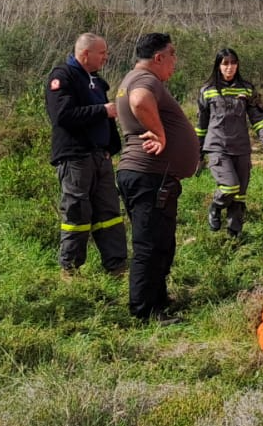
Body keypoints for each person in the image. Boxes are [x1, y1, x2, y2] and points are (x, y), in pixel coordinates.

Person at [115, 32, 200, 324]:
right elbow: (140, 101)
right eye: (172, 55)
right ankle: (145, 312)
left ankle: (157, 301)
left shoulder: (130, 79)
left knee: (159, 242)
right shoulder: (145, 81)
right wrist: (161, 133)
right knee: (149, 245)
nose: (175, 61)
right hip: (148, 176)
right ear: (158, 58)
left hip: (146, 176)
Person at [45, 33, 127, 276]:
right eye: (101, 53)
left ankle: (117, 266)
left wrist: (111, 148)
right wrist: (101, 110)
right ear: (85, 54)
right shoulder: (62, 77)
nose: (106, 57)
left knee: (109, 213)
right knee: (77, 212)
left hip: (100, 157)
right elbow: (62, 115)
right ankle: (69, 268)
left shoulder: (96, 81)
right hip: (75, 158)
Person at [195, 48, 263, 239]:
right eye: (225, 64)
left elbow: (259, 118)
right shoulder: (207, 91)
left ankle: (234, 237)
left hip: (241, 148)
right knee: (229, 187)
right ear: (218, 66)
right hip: (217, 146)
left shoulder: (247, 89)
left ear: (237, 65)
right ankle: (215, 206)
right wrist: (197, 151)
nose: (229, 67)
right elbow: (201, 125)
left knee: (239, 195)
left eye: (233, 63)